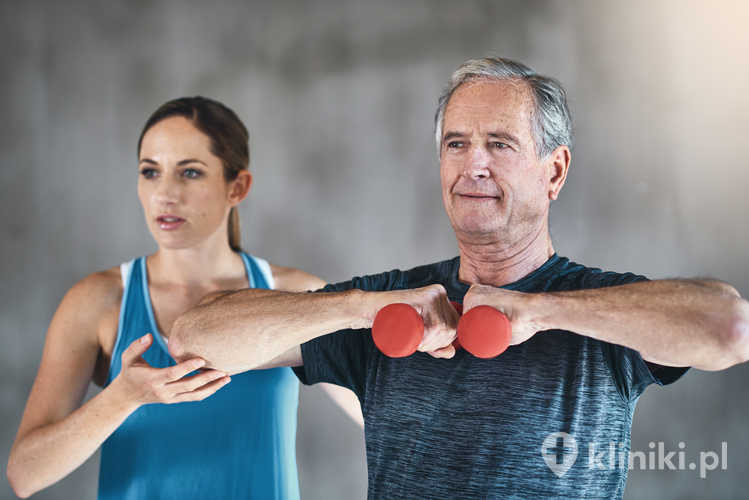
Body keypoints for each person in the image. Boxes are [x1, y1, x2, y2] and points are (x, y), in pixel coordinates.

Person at [168, 58, 749, 499]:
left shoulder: (603, 305)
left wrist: (538, 312)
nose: (473, 164)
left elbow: (730, 328)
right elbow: (195, 339)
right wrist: (360, 308)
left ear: (555, 171)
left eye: (499, 143)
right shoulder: (392, 300)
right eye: (456, 144)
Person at [6, 96, 362, 499]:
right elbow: (25, 474)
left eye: (190, 172)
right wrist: (122, 397)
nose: (165, 194)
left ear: (237, 186)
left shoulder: (295, 294)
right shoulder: (99, 302)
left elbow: (384, 415)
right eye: (150, 172)